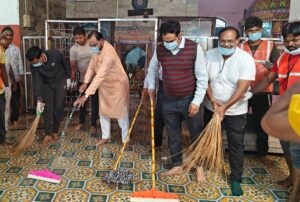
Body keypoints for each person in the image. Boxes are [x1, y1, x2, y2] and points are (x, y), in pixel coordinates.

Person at [147, 20, 208, 181]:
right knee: (173, 134)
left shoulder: (194, 48)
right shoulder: (160, 49)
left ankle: (199, 166)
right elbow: (152, 69)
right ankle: (177, 165)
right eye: (164, 40)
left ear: (179, 35)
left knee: (196, 133)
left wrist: (196, 101)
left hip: (189, 98)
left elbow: (202, 77)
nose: (167, 44)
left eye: (171, 40)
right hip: (168, 99)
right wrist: (151, 87)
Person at [252, 21, 300, 202]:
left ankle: (296, 193)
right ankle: (291, 178)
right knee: (287, 149)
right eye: (287, 40)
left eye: (295, 39)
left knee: (296, 151)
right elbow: (268, 79)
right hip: (285, 111)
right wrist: (249, 93)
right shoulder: (283, 57)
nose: (291, 44)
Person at [205, 26, 256, 195]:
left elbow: (242, 89)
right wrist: (213, 102)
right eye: (222, 41)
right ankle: (212, 166)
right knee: (212, 140)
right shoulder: (209, 55)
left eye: (230, 41)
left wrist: (225, 107)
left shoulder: (245, 59)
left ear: (238, 42)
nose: (226, 44)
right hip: (211, 107)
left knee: (235, 145)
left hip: (235, 110)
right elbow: (204, 80)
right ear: (218, 40)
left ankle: (236, 179)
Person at [74, 31, 129, 146]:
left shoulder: (109, 54)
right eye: (90, 45)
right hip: (104, 86)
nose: (92, 48)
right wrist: (85, 82)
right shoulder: (96, 50)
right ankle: (106, 137)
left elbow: (99, 75)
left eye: (94, 45)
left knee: (121, 113)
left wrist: (86, 95)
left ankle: (125, 139)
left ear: (102, 41)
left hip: (117, 85)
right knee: (103, 111)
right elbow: (91, 67)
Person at [239, 17, 280, 166]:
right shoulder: (240, 46)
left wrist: (271, 66)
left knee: (261, 122)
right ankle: (238, 150)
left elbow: (278, 67)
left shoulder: (270, 45)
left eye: (257, 30)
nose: (254, 33)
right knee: (240, 121)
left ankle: (262, 153)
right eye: (251, 31)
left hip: (263, 91)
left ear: (261, 30)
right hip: (243, 90)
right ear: (246, 32)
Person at [26, 46, 71, 145]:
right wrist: (39, 98)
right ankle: (47, 134)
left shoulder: (55, 54)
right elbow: (37, 81)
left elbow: (66, 63)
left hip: (60, 81)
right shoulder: (34, 66)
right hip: (46, 84)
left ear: (42, 56)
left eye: (36, 62)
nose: (35, 64)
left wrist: (68, 77)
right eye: (33, 63)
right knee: (48, 109)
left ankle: (55, 131)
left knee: (58, 107)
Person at [70, 26, 99, 135]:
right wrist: (73, 76)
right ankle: (81, 122)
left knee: (95, 102)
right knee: (82, 101)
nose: (78, 40)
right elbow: (73, 66)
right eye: (76, 38)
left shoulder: (92, 45)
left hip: (95, 78)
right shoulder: (73, 49)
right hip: (82, 79)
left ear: (85, 35)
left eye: (80, 38)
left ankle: (93, 125)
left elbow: (98, 59)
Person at [2, 26, 24, 128]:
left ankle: (14, 119)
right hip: (3, 82)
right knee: (5, 102)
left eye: (11, 35)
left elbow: (19, 63)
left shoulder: (16, 49)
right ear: (2, 36)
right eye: (6, 35)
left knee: (16, 100)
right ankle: (5, 123)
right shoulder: (2, 48)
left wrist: (20, 77)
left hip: (14, 79)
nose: (9, 37)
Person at [142, 66, 164, 148]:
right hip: (163, 89)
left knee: (174, 122)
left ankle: (174, 149)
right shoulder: (160, 55)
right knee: (158, 118)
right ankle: (157, 144)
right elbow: (152, 70)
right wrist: (146, 86)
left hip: (181, 90)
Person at [0, 36, 11, 147]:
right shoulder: (1, 50)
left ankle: (2, 139)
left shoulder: (1, 50)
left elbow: (3, 69)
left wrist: (6, 86)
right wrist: (6, 86)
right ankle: (2, 140)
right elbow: (3, 68)